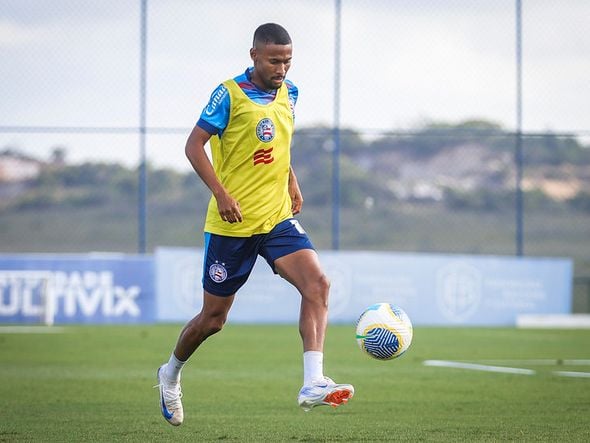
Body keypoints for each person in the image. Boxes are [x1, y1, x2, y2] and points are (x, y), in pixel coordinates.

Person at [155, 22, 354, 426]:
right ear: (254, 56)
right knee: (213, 320)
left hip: (277, 217)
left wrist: (291, 181)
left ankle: (313, 382)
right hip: (232, 223)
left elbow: (278, 146)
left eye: (288, 60)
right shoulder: (229, 94)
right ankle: (170, 373)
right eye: (274, 60)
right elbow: (193, 146)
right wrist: (220, 193)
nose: (282, 68)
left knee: (318, 284)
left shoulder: (291, 93)